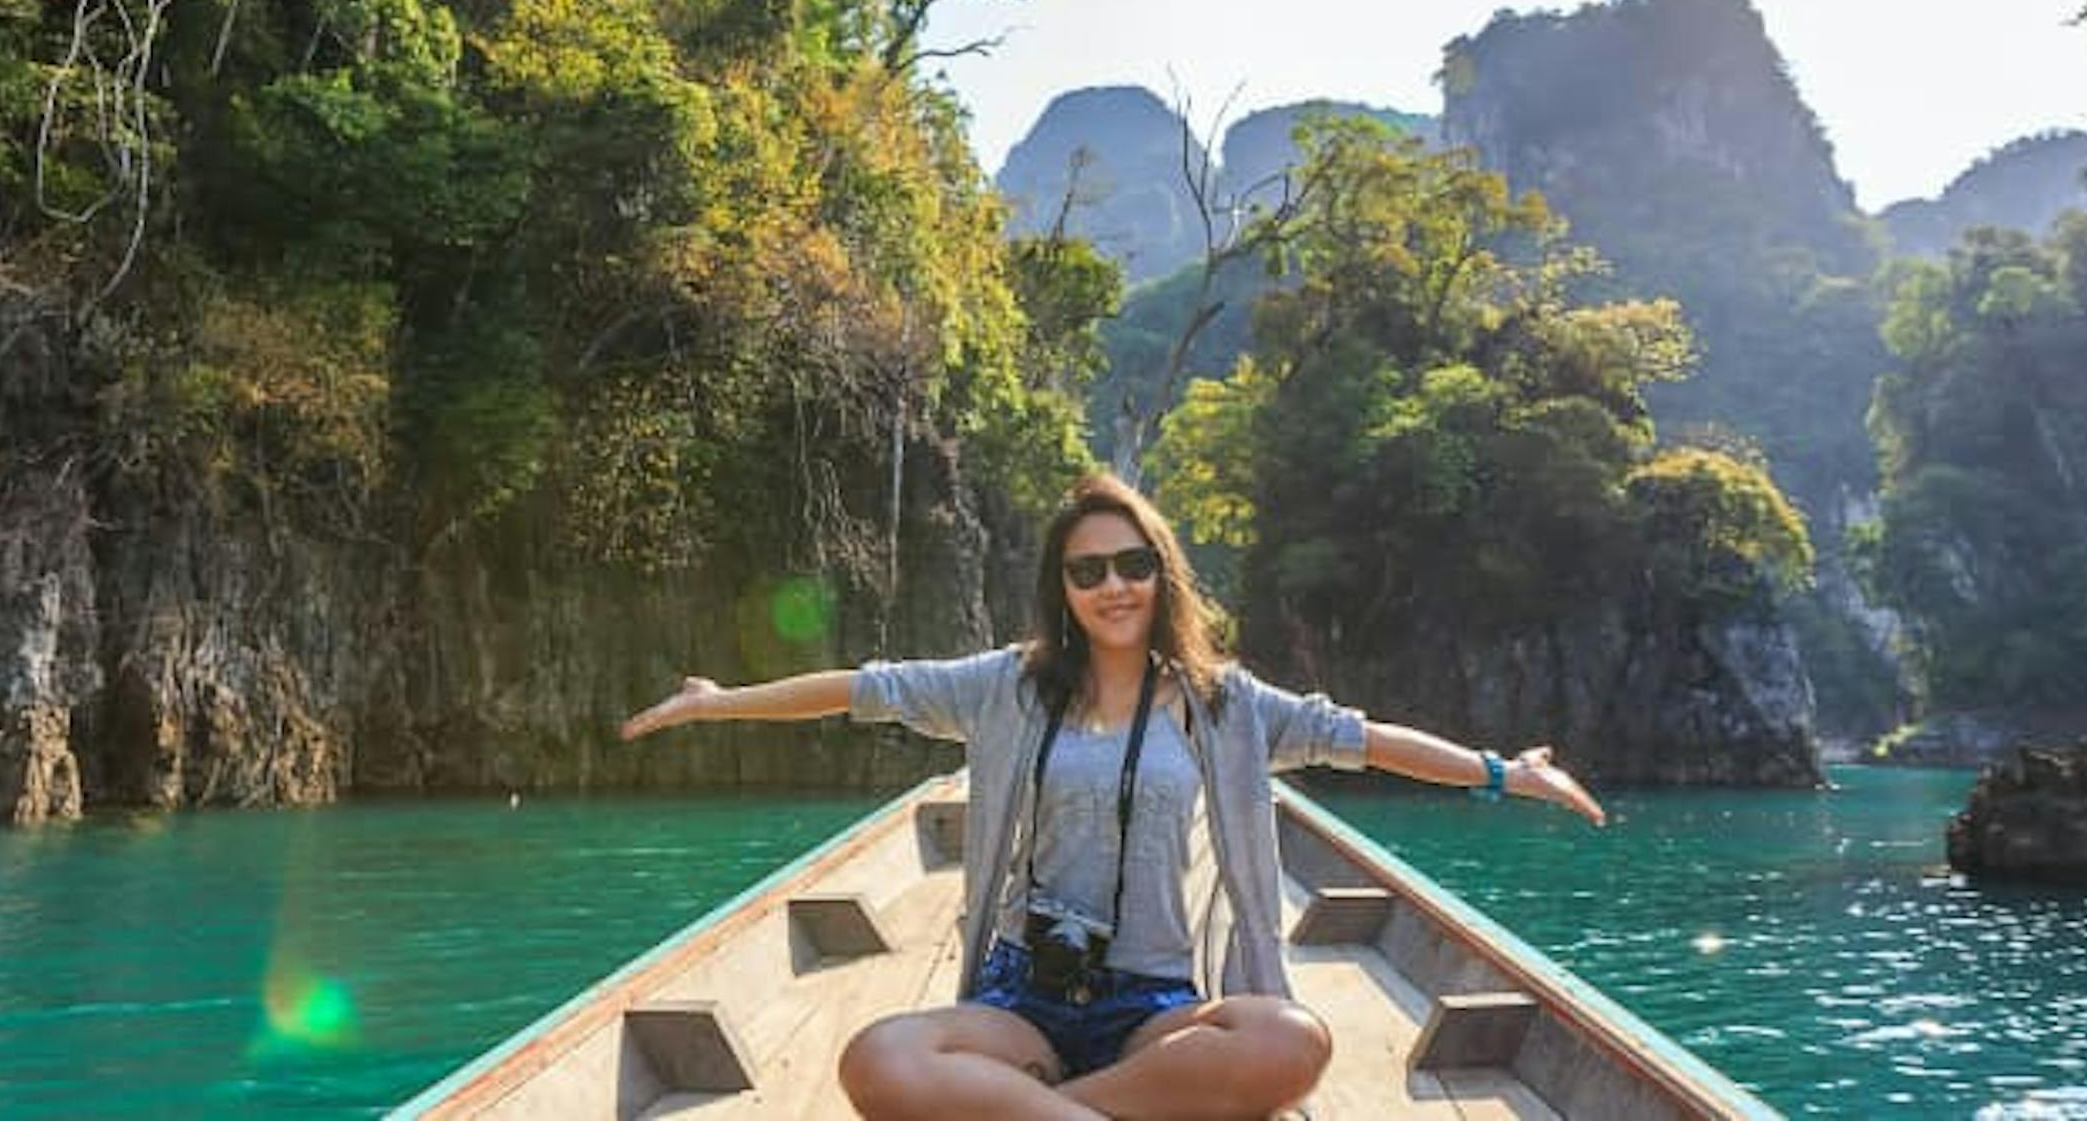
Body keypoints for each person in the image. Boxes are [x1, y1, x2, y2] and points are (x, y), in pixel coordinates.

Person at [619, 472, 1606, 1121]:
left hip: (1152, 1006)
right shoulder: (1006, 685)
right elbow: (860, 687)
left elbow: (1364, 739)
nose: (1114, 585)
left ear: (1159, 573)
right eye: (1088, 570)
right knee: (876, 1060)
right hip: (1024, 996)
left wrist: (1501, 773)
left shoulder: (1227, 707)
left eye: (1132, 564)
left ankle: (1052, 1107)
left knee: (1288, 1037)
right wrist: (719, 703)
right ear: (1065, 586)